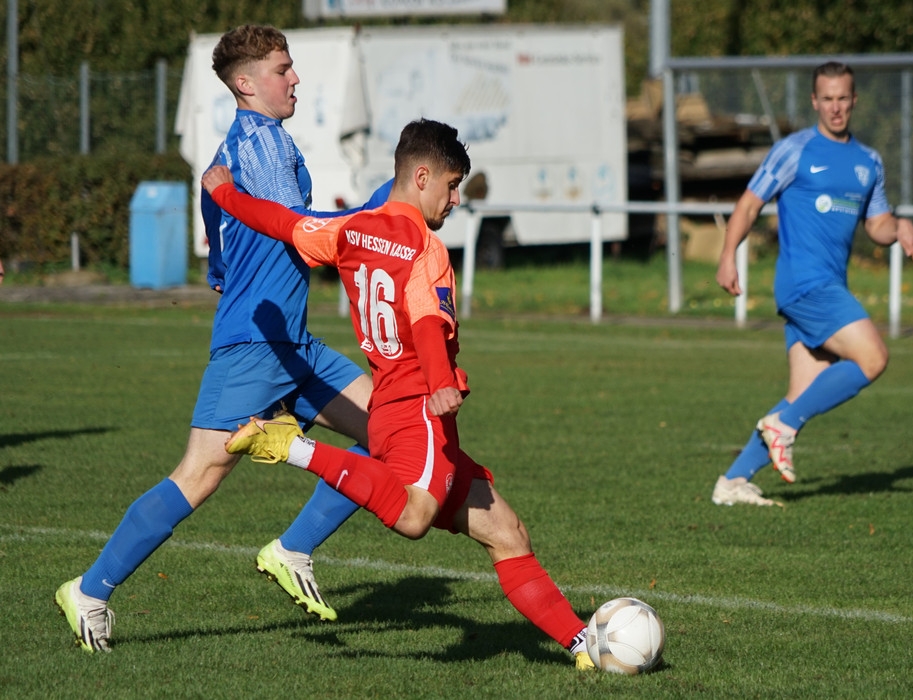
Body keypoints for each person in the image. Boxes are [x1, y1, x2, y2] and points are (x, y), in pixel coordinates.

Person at [201, 118, 596, 670]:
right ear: (422, 175)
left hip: (389, 409)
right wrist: (440, 383)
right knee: (413, 517)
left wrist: (225, 195)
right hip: (418, 412)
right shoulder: (426, 248)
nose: (455, 199)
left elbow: (283, 223)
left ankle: (584, 645)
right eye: (451, 186)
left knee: (507, 532)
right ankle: (289, 445)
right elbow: (428, 321)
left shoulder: (349, 229)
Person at [56, 24, 390, 653]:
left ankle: (292, 549)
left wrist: (222, 268)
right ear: (246, 83)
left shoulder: (243, 147)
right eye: (282, 70)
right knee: (197, 477)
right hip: (254, 350)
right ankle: (90, 591)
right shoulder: (259, 143)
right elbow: (301, 232)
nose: (295, 78)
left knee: (391, 432)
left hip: (292, 344)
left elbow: (217, 220)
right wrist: (383, 204)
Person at [711, 61, 913, 507]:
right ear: (814, 101)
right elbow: (749, 205)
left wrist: (900, 226)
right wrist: (728, 255)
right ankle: (783, 427)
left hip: (828, 285)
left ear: (854, 100)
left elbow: (877, 225)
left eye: (842, 98)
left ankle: (732, 481)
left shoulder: (869, 161)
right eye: (827, 99)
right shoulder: (794, 150)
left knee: (800, 395)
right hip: (805, 285)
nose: (835, 107)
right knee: (873, 357)